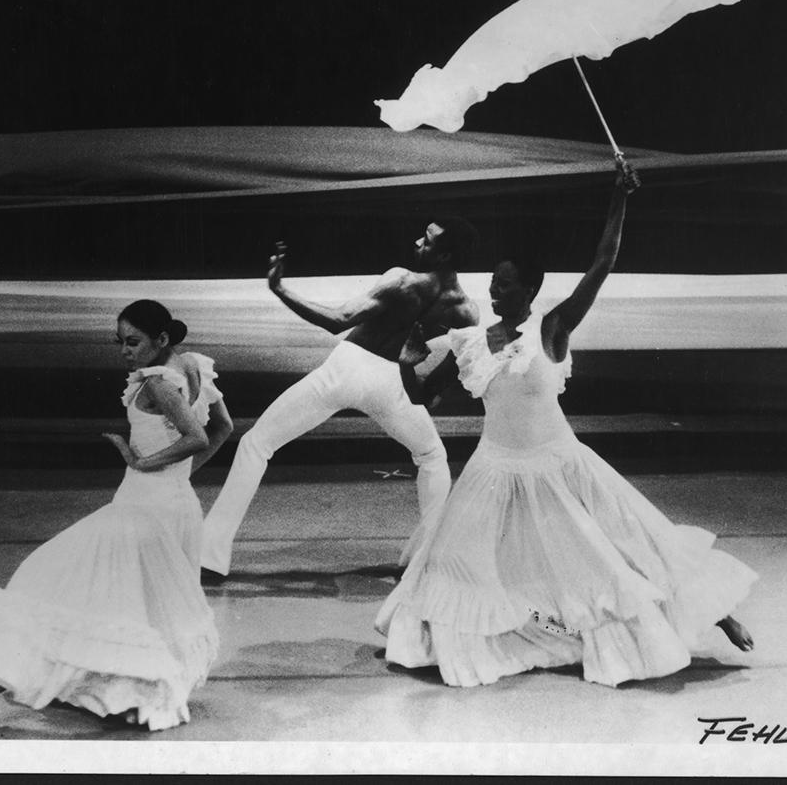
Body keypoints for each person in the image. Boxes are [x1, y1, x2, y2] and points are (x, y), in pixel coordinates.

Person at [376, 159, 758, 688]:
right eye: (492, 284)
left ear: (529, 292)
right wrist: (405, 360)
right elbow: (423, 397)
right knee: (461, 565)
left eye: (505, 287)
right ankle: (539, 632)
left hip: (559, 463)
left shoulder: (552, 328)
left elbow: (603, 262)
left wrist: (619, 198)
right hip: (494, 471)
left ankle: (710, 612)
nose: (494, 294)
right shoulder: (469, 342)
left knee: (630, 544)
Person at [0, 300, 234, 730]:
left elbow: (197, 435)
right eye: (120, 343)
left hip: (144, 511)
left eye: (133, 342)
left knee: (51, 575)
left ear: (161, 339)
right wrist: (179, 475)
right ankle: (124, 692)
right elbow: (223, 428)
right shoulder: (194, 366)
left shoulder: (157, 384)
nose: (124, 352)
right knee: (138, 607)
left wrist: (142, 462)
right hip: (178, 508)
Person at [199, 219, 484, 578]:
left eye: (425, 241)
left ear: (443, 254)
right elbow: (450, 373)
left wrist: (279, 289)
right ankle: (425, 559)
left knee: (257, 443)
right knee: (432, 456)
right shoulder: (467, 311)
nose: (416, 242)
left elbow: (337, 319)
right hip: (392, 383)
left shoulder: (402, 280)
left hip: (345, 370)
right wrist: (425, 385)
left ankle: (210, 558)